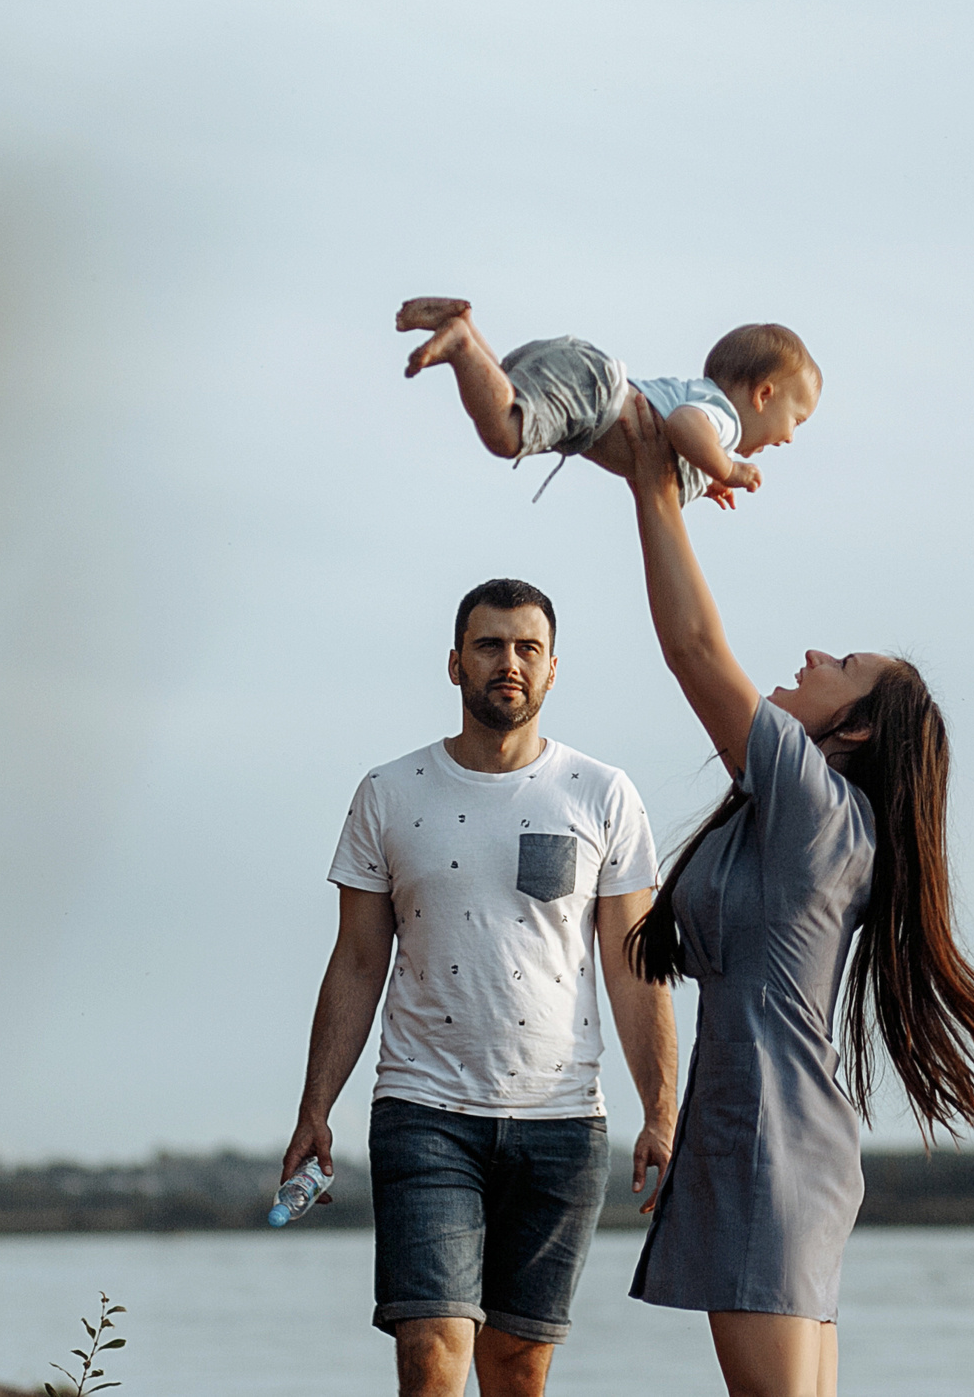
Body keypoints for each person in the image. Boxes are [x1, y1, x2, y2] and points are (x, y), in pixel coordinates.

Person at [605, 395, 974, 1397]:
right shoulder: (810, 820)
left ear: (855, 731)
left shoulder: (816, 806)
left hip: (765, 1135)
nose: (811, 657)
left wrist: (654, 489)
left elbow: (693, 649)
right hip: (771, 1131)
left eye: (841, 667)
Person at [282, 577, 678, 1397]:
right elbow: (357, 960)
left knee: (518, 1369)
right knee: (432, 1352)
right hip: (423, 1109)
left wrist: (663, 1111)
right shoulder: (390, 792)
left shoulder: (602, 793)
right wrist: (315, 1106)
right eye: (490, 645)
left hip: (563, 1120)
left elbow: (632, 966)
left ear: (553, 668)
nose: (510, 662)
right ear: (455, 662)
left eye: (528, 647)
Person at [395, 296, 819, 509]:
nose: (790, 438)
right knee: (507, 433)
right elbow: (684, 426)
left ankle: (465, 326)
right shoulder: (723, 420)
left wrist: (707, 481)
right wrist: (728, 468)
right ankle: (462, 345)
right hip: (594, 391)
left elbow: (682, 441)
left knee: (502, 393)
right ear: (764, 395)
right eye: (796, 421)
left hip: (585, 378)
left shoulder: (706, 410)